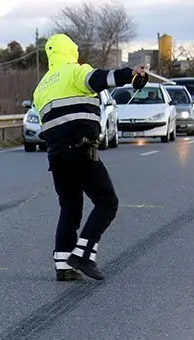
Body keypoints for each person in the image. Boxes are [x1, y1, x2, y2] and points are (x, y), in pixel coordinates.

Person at [32, 34, 148, 281]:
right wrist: (131, 73)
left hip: (57, 156)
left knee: (70, 208)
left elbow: (46, 125)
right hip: (82, 149)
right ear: (71, 52)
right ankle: (83, 255)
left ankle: (63, 265)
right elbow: (101, 79)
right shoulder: (75, 72)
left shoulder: (41, 88)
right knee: (107, 202)